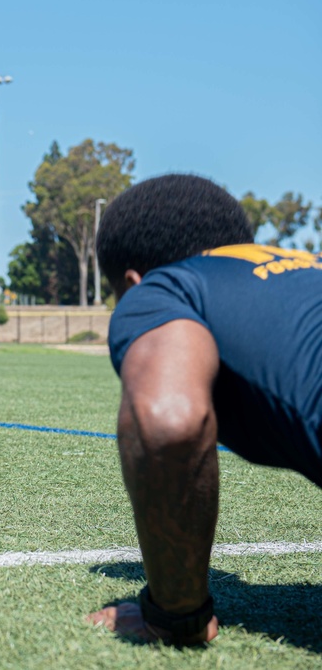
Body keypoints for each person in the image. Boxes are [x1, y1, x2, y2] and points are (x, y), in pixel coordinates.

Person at [87, 174, 322, 645]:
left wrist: (175, 614)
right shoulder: (306, 266)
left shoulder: (163, 288)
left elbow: (168, 423)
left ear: (132, 283)